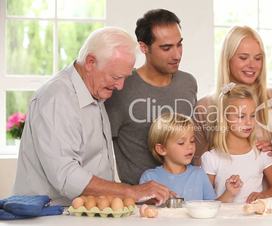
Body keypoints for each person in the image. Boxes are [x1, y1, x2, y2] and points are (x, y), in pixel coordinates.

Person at [13, 27, 171, 206]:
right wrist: (131, 191)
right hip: (50, 216)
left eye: (124, 78)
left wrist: (130, 197)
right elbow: (66, 175)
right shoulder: (58, 97)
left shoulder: (94, 93)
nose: (120, 86)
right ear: (90, 62)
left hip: (79, 213)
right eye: (115, 77)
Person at [105, 9, 197, 185]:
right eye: (166, 48)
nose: (177, 55)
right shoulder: (121, 87)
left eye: (179, 44)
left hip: (186, 197)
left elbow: (191, 138)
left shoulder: (188, 83)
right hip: (140, 202)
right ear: (143, 47)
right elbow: (99, 145)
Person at [193, 25, 272, 165]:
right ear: (227, 59)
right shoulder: (204, 107)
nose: (252, 65)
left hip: (268, 186)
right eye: (243, 58)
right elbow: (195, 164)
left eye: (258, 58)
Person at [201, 84, 272, 203]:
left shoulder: (261, 152)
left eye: (252, 115)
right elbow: (206, 203)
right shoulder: (211, 158)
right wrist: (228, 194)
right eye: (241, 116)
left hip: (255, 219)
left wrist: (263, 195)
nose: (249, 122)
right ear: (224, 118)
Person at [139, 113, 216, 201]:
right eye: (181, 143)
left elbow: (212, 205)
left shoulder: (199, 174)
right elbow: (144, 210)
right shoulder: (149, 178)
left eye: (192, 141)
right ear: (161, 149)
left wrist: (229, 193)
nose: (190, 146)